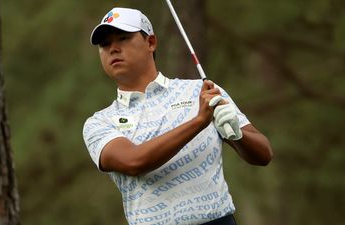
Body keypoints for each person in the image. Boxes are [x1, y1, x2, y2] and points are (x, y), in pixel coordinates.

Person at [83, 7, 273, 225]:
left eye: (123, 38)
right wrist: (199, 122)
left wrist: (237, 133)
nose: (113, 49)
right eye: (105, 44)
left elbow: (263, 154)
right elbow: (134, 162)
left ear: (151, 43)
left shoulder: (200, 92)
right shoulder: (99, 122)